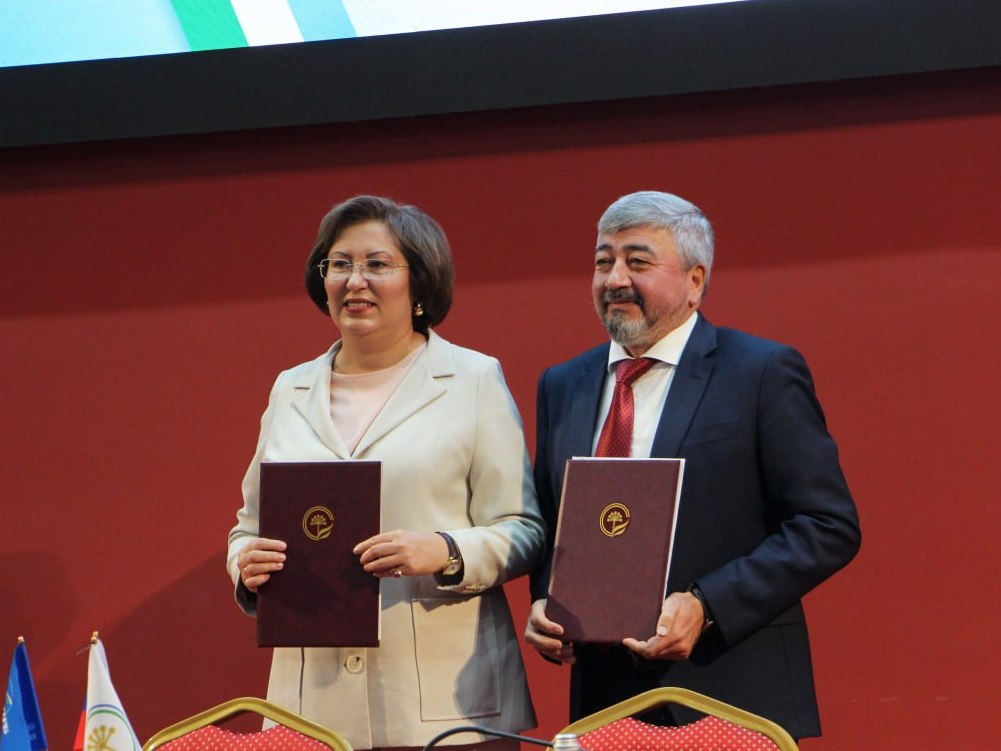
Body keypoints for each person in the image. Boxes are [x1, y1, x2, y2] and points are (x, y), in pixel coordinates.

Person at [525, 190, 861, 740]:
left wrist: (706, 604)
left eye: (637, 262)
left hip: (731, 691)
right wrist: (546, 599)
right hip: (604, 702)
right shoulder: (563, 384)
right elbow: (551, 520)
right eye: (603, 261)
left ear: (695, 281)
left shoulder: (760, 372)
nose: (614, 279)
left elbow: (827, 526)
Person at [227, 195, 544, 751]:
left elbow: (523, 528)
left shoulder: (473, 379)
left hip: (447, 705)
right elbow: (247, 527)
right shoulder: (290, 388)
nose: (355, 281)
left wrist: (445, 550)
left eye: (377, 264)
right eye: (339, 264)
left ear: (419, 283)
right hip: (314, 705)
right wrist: (244, 564)